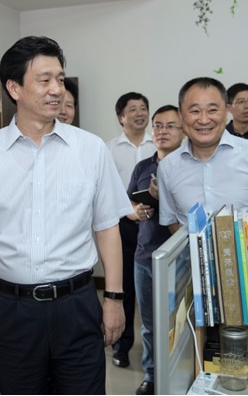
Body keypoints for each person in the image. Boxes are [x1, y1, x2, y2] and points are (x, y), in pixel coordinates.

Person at [0, 36, 132, 394]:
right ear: (14, 88)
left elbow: (107, 227)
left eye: (59, 79)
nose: (56, 89)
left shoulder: (90, 149)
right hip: (12, 310)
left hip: (77, 305)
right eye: (44, 80)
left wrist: (113, 298)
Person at [158, 77, 248, 233]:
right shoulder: (167, 167)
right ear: (181, 115)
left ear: (227, 111)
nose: (204, 120)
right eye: (195, 111)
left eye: (212, 110)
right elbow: (172, 221)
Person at [127, 105, 184, 395]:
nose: (162, 131)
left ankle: (178, 374)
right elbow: (127, 203)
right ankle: (151, 374)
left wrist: (167, 198)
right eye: (158, 125)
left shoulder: (189, 166)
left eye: (170, 125)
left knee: (178, 322)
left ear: (184, 131)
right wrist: (136, 211)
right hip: (145, 257)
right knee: (149, 324)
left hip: (180, 259)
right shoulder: (142, 167)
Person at [105, 92, 156, 368]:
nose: (139, 113)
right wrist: (130, 211)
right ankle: (121, 345)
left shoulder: (158, 144)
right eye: (133, 109)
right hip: (123, 226)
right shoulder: (108, 149)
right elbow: (106, 192)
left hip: (155, 226)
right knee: (123, 287)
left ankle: (158, 349)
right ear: (121, 117)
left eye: (143, 108)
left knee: (154, 289)